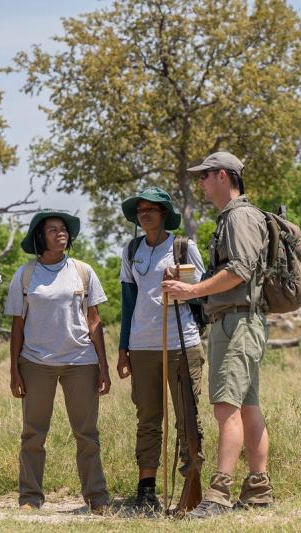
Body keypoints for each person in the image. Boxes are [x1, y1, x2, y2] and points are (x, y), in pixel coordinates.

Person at [162, 152, 273, 517]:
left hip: (237, 323)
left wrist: (191, 291)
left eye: (205, 176)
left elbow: (239, 270)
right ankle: (258, 489)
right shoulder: (238, 216)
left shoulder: (239, 217)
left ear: (223, 176)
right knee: (248, 407)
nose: (202, 184)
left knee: (226, 408)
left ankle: (218, 496)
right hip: (241, 320)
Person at [5, 210, 111, 514]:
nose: (60, 233)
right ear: (40, 237)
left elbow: (94, 321)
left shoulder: (83, 270)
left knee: (87, 434)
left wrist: (103, 367)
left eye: (63, 229)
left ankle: (97, 497)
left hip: (80, 361)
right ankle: (30, 497)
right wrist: (14, 370)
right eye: (52, 230)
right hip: (36, 362)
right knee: (33, 434)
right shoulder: (26, 275)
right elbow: (17, 326)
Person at [116, 187, 206, 513]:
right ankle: (146, 490)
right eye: (140, 209)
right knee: (148, 419)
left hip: (182, 342)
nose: (145, 214)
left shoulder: (183, 247)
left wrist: (181, 284)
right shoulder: (131, 250)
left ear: (164, 213)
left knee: (187, 417)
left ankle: (191, 488)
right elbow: (128, 302)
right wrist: (123, 348)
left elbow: (202, 293)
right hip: (142, 345)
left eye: (152, 209)